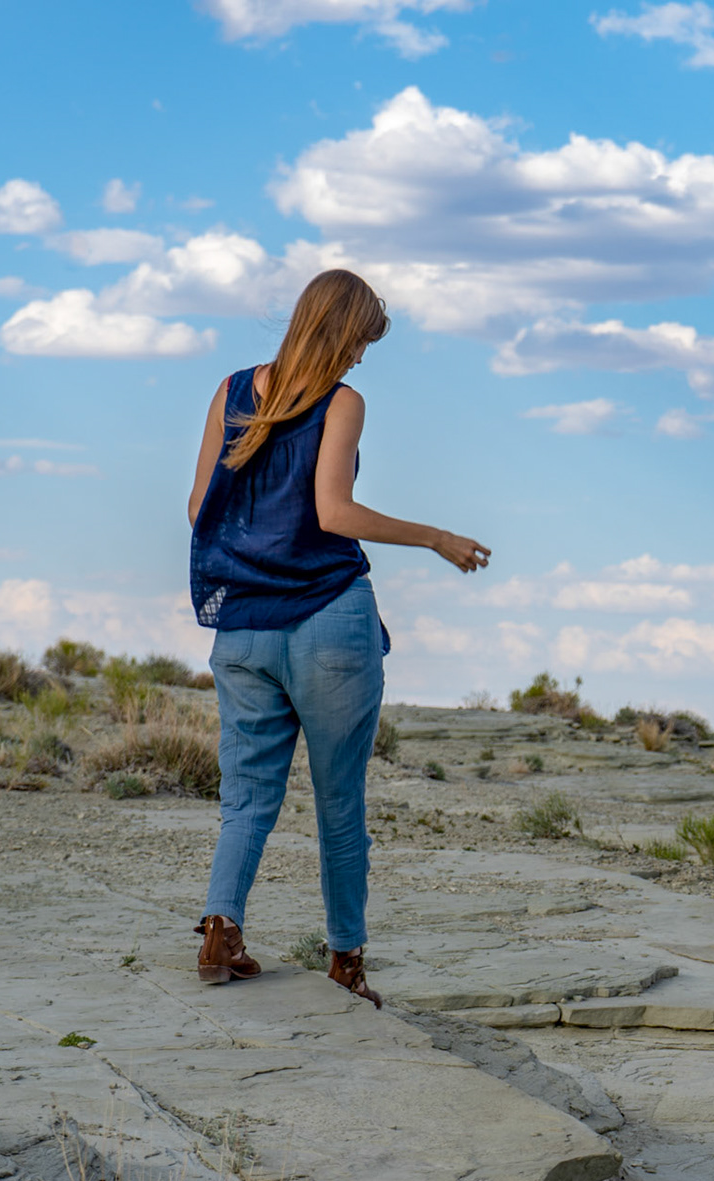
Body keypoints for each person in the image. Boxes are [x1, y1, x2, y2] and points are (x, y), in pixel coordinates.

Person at [184, 268, 488, 1006]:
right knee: (339, 803)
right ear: (338, 331)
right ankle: (346, 962)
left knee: (246, 798)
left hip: (242, 627)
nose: (358, 357)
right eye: (358, 341)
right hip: (328, 621)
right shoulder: (341, 401)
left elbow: (199, 509)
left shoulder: (232, 391)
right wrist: (436, 536)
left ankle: (221, 932)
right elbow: (333, 512)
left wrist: (256, 557)